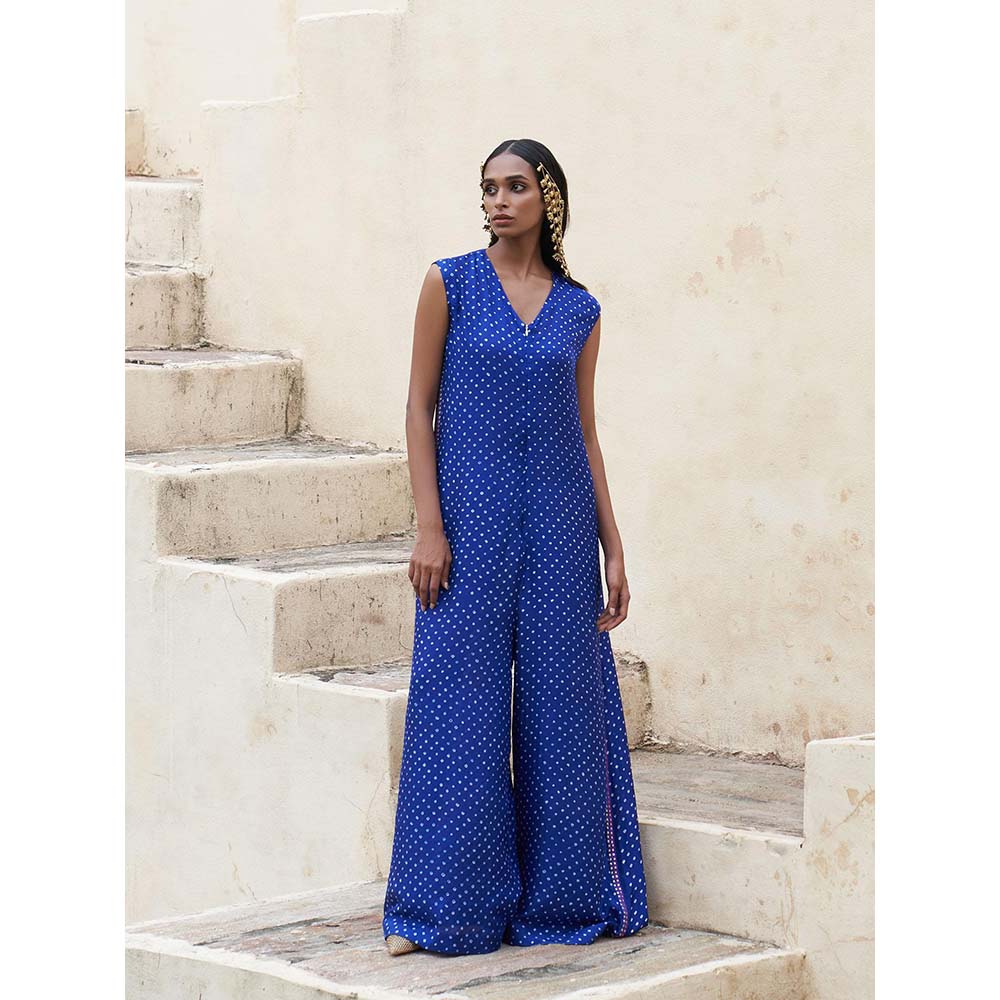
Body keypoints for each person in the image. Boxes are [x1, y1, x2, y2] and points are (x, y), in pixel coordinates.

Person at [381, 139, 649, 956]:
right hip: (468, 527)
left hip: (561, 530)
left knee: (564, 712)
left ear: (549, 200)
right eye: (489, 188)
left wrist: (612, 544)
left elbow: (586, 433)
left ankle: (564, 905)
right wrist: (430, 526)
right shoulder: (451, 283)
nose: (498, 200)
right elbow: (418, 408)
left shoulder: (579, 310)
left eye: (516, 186)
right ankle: (440, 912)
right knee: (456, 706)